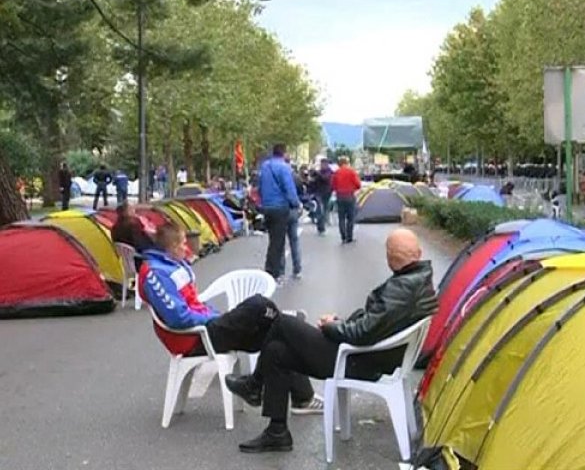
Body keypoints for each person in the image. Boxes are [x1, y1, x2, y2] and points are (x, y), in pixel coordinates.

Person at [225, 228, 439, 453]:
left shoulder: (403, 286)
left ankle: (254, 385)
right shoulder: (417, 280)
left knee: (282, 323)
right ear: (419, 252)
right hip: (369, 356)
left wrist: (331, 327)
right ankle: (277, 432)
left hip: (357, 361)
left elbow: (363, 333)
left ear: (390, 257)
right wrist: (340, 321)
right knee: (277, 351)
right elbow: (375, 323)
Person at [139, 223, 320, 409]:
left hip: (203, 328)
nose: (186, 248)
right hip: (192, 338)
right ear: (171, 247)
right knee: (258, 305)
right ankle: (284, 322)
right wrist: (214, 319)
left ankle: (300, 397)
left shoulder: (172, 264)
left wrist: (216, 317)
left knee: (277, 336)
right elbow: (178, 317)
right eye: (182, 244)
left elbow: (193, 305)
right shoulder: (156, 273)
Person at [258, 144, 300, 279]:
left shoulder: (265, 166)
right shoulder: (284, 167)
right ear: (284, 153)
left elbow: (260, 187)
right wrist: (296, 203)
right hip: (280, 207)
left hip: (267, 207)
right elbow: (289, 188)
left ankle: (271, 268)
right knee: (278, 242)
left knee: (273, 239)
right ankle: (273, 272)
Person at [279, 163, 303, 280]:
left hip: (281, 210)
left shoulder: (278, 178)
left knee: (281, 242)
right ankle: (297, 268)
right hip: (293, 210)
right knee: (294, 240)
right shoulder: (296, 177)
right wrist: (298, 205)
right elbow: (300, 192)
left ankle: (281, 271)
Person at [331, 156, 361, 244]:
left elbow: (332, 186)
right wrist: (352, 188)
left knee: (341, 217)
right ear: (346, 163)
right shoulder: (351, 172)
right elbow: (358, 184)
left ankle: (343, 236)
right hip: (350, 196)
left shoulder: (336, 173)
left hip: (340, 196)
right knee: (350, 217)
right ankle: (349, 236)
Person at [312, 158, 333, 235]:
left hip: (326, 193)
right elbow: (314, 181)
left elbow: (325, 178)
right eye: (321, 164)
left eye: (324, 164)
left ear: (327, 164)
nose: (322, 166)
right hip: (319, 193)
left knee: (323, 210)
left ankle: (322, 226)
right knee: (319, 210)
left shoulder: (329, 172)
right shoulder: (319, 172)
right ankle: (320, 227)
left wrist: (317, 173)